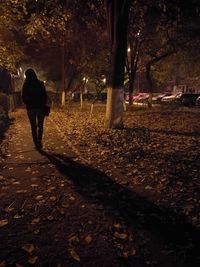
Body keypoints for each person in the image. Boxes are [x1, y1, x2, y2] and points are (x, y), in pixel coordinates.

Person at [22, 68, 47, 149]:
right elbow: (44, 95)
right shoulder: (40, 83)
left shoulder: (26, 85)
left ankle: (36, 143)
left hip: (31, 108)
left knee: (33, 126)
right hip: (40, 108)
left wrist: (27, 102)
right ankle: (39, 140)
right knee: (40, 125)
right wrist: (43, 103)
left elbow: (23, 97)